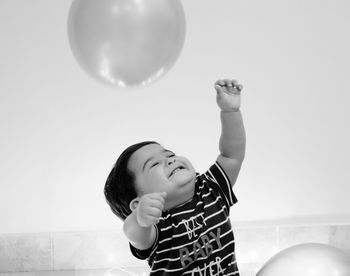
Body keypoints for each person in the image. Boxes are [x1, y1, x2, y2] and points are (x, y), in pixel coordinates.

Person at [104, 79, 246, 275]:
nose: (170, 160)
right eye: (154, 164)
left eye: (169, 155)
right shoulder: (155, 225)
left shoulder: (210, 190)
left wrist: (230, 112)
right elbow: (134, 233)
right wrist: (139, 219)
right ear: (138, 204)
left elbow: (232, 155)